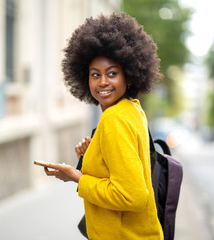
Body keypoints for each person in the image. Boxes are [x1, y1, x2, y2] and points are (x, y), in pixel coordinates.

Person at [42, 12, 163, 239]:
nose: (103, 82)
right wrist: (93, 156)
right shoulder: (132, 109)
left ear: (129, 75)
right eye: (95, 74)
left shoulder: (113, 119)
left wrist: (75, 176)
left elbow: (133, 196)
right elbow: (124, 169)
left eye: (112, 73)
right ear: (84, 79)